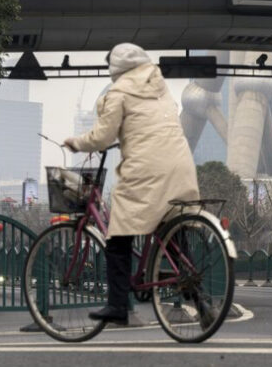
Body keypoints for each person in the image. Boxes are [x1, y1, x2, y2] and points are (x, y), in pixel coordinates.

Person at [63, 43, 200, 324]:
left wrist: (77, 143)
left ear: (116, 68)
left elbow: (102, 137)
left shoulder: (119, 92)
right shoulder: (160, 87)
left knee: (118, 237)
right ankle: (201, 300)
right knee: (171, 226)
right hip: (181, 164)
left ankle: (117, 306)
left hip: (147, 169)